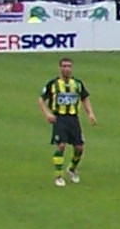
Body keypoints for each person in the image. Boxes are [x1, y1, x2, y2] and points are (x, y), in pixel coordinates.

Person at [40, 55, 94, 186]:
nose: (67, 69)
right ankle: (58, 176)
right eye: (64, 66)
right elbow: (41, 100)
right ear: (60, 68)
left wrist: (90, 114)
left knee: (79, 148)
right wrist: (47, 114)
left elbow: (85, 98)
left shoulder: (77, 84)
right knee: (61, 145)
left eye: (69, 66)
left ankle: (71, 169)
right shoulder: (53, 84)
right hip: (60, 118)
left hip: (74, 119)